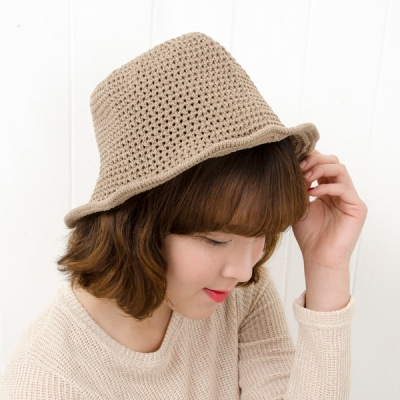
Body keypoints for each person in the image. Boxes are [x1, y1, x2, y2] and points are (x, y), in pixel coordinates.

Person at [0, 32, 367, 399]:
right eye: (216, 240)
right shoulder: (47, 384)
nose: (244, 271)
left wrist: (326, 267)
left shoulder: (237, 295)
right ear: (137, 225)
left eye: (261, 234)